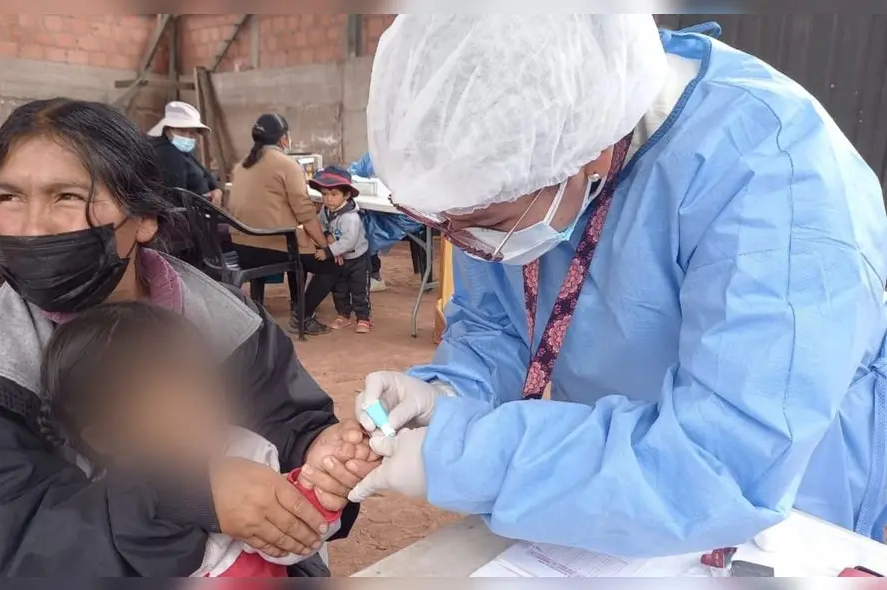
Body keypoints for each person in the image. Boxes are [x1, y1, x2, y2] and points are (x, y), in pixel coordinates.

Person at [347, 15, 887, 557]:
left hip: (780, 494)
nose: (463, 242)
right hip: (606, 487)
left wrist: (469, 456)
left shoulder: (775, 177)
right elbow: (496, 324)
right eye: (440, 222)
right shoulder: (514, 159)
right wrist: (446, 395)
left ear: (594, 155)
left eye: (483, 222)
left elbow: (723, 461)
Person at [0, 98, 379, 576]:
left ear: (144, 218)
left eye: (67, 197)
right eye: (9, 198)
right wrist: (181, 501)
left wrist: (321, 458)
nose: (33, 226)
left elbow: (288, 424)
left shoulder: (228, 322)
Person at [39, 301, 356, 577]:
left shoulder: (247, 453)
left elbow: (290, 542)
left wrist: (319, 495)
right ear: (106, 439)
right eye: (168, 415)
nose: (201, 419)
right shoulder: (102, 494)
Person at [227, 114, 339, 335]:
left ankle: (297, 304)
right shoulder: (287, 165)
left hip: (242, 247)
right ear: (283, 139)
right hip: (272, 248)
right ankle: (303, 314)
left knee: (297, 244)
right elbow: (305, 212)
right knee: (330, 264)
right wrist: (325, 245)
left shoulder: (240, 166)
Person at [311, 166, 373, 334]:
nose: (328, 199)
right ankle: (343, 314)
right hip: (339, 257)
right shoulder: (326, 211)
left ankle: (363, 318)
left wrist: (328, 251)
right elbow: (321, 224)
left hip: (357, 259)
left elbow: (349, 242)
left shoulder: (350, 217)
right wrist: (328, 235)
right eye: (324, 194)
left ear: (346, 195)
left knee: (359, 289)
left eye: (334, 194)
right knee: (339, 288)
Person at [148, 101, 223, 206]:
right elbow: (174, 197)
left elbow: (206, 174)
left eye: (192, 133)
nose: (187, 136)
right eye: (182, 131)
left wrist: (216, 189)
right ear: (168, 129)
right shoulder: (167, 152)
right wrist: (205, 200)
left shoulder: (182, 150)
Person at [347, 152, 386, 292]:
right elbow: (356, 171)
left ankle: (372, 274)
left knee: (365, 231)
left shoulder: (413, 154)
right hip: (375, 207)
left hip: (404, 213)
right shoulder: (376, 152)